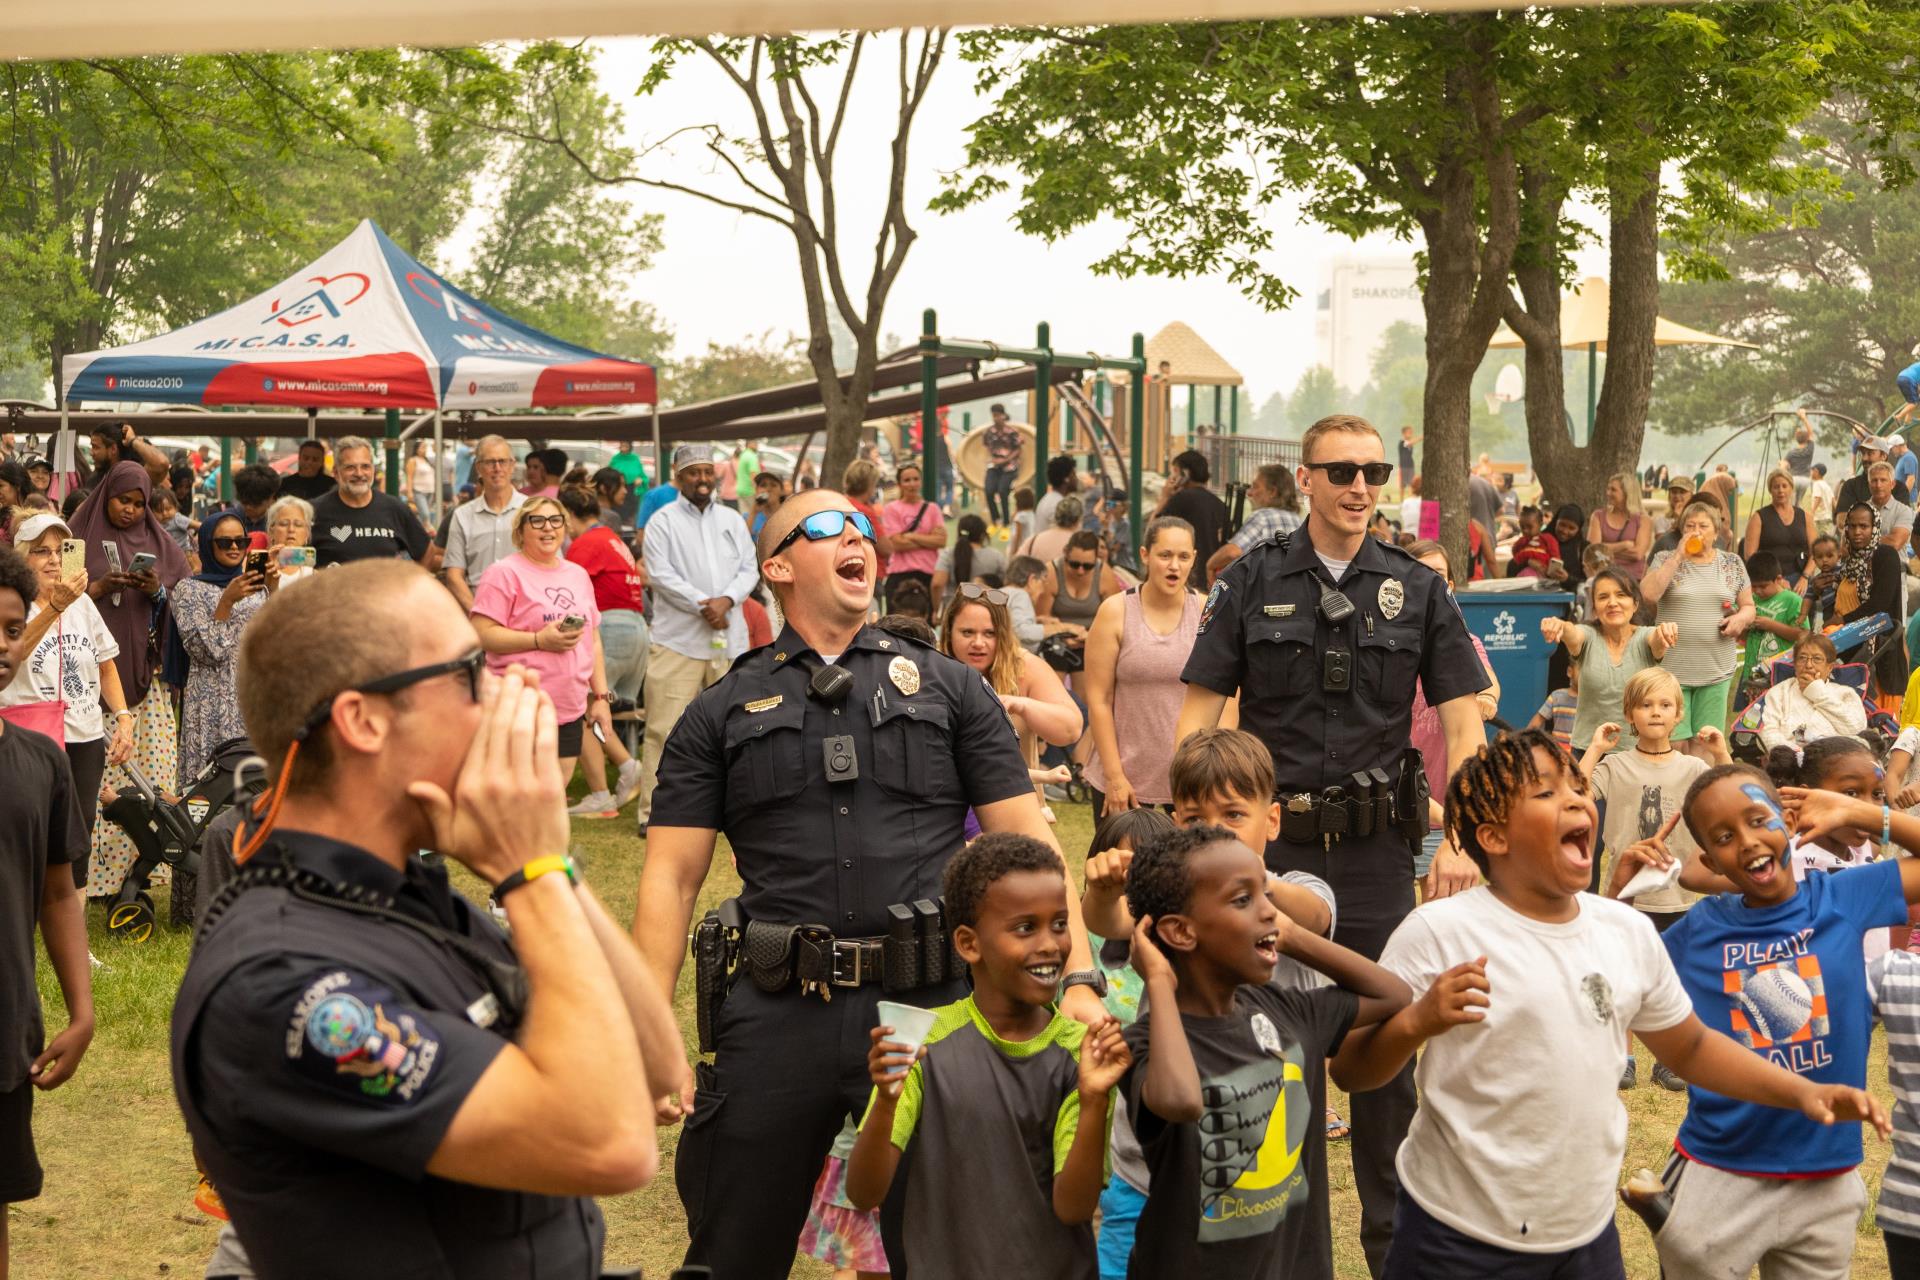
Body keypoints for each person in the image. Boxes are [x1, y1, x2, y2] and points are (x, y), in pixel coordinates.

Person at [634, 485, 1105, 1278]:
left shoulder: (952, 690)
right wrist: (649, 1038)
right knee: (732, 1247)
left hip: (931, 1011)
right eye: (828, 527)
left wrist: (1083, 978)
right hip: (778, 1017)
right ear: (776, 566)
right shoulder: (719, 711)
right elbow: (670, 883)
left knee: (964, 1245)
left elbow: (1029, 846)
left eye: (862, 526)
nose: (857, 535)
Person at [171, 560, 678, 1279]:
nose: (510, 687)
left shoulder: (410, 896)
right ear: (363, 720)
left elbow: (658, 1070)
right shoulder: (284, 979)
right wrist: (527, 874)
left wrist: (550, 865)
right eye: (472, 673)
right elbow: (613, 1146)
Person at [1341, 732, 1886, 1278]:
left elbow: (1692, 1047)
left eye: (1579, 786)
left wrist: (1804, 1092)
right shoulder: (1439, 932)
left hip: (1586, 1234)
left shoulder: (1623, 929)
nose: (1578, 798)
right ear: (1493, 836)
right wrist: (1418, 1020)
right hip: (1455, 1233)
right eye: (1547, 792)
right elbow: (1353, 1069)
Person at [1176, 412, 1489, 1274]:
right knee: (1262, 1052)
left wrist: (1460, 836)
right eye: (1342, 471)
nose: (1360, 488)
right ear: (1304, 478)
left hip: (1378, 854)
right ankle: (1271, 1252)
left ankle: (1392, 1255)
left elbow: (1465, 725)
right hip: (1264, 857)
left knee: (1383, 1054)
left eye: (1375, 472)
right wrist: (1196, 836)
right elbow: (1200, 719)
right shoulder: (1250, 581)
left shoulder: (1417, 587)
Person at [1619, 768, 1917, 1280]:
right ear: (1709, 861)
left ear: (1790, 821)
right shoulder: (1701, 930)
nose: (1750, 842)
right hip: (1721, 1168)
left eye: (1760, 820)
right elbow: (1608, 982)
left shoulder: (1841, 897)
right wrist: (1616, 893)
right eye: (1725, 837)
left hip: (1826, 1176)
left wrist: (1858, 812)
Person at [1119, 824, 1411, 1279]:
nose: (1268, 912)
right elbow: (1179, 1100)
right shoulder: (1147, 1042)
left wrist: (1292, 935)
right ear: (1180, 932)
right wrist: (1157, 978)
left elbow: (1392, 994)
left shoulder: (1286, 1012)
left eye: (1266, 896)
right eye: (1243, 900)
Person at [846, 834, 1130, 1277]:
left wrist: (1094, 1100)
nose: (1050, 944)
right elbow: (865, 1193)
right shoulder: (926, 1041)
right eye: (1024, 927)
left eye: (1059, 923)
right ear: (968, 943)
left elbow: (1074, 1207)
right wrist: (885, 1102)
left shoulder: (1081, 1052)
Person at [0, 546, 94, 1279]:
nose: (3, 646)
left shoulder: (40, 762)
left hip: (4, 1031)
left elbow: (58, 891)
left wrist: (80, 1009)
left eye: (11, 629)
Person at [64, 462, 189, 898]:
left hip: (140, 681)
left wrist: (156, 591)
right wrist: (95, 590)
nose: (132, 511)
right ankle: (86, 879)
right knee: (90, 786)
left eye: (140, 504)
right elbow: (52, 596)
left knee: (145, 776)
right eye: (123, 501)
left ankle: (140, 870)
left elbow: (183, 601)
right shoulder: (75, 539)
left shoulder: (160, 541)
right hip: (82, 681)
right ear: (106, 495)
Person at [632, 444, 758, 836]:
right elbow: (661, 574)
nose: (702, 480)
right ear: (678, 475)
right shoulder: (662, 522)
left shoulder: (731, 519)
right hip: (678, 642)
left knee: (737, 731)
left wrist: (727, 601)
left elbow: (749, 567)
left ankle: (737, 812)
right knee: (663, 729)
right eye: (693, 473)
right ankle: (653, 812)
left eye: (707, 472)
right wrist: (704, 605)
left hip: (729, 641)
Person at [1, 512, 134, 879]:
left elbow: (106, 665)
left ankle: (70, 911)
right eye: (42, 551)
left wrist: (123, 717)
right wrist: (55, 606)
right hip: (29, 734)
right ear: (22, 558)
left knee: (78, 833)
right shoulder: (12, 604)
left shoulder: (83, 605)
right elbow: (14, 651)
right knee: (30, 828)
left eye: (62, 550)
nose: (55, 559)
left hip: (84, 735)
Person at [469, 497, 615, 786]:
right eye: (537, 521)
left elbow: (593, 640)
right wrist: (538, 640)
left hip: (569, 706)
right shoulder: (503, 573)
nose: (548, 528)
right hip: (519, 705)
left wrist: (600, 698)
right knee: (517, 792)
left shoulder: (577, 575)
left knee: (556, 787)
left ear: (565, 526)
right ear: (520, 530)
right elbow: (481, 633)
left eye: (555, 520)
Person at [1083, 518, 1200, 817]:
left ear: (1193, 559)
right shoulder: (1115, 611)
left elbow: (1226, 695)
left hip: (1189, 777)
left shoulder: (1205, 611)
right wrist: (1114, 776)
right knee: (1120, 864)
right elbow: (1098, 699)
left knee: (1191, 864)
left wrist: (1209, 769)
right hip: (1125, 775)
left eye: (1183, 557)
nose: (1174, 565)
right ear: (1146, 555)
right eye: (1165, 555)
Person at [1402, 541, 1500, 883]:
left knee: (1443, 902)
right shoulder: (1392, 645)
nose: (1430, 582)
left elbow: (1488, 685)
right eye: (1421, 573)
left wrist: (1485, 700)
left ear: (1451, 587)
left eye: (1438, 575)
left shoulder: (1463, 642)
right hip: (1400, 807)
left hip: (1448, 808)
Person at [558, 485, 646, 815]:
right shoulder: (610, 536)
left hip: (611, 626)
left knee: (579, 708)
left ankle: (604, 789)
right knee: (592, 706)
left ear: (566, 516)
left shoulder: (586, 543)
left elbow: (564, 589)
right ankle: (624, 767)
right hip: (635, 628)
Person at [170, 513, 272, 789]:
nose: (235, 548)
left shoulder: (256, 588)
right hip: (211, 701)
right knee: (208, 791)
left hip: (250, 699)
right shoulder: (188, 590)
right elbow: (209, 651)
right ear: (206, 544)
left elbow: (270, 642)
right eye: (225, 542)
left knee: (254, 787)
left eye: (241, 541)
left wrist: (271, 589)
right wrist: (226, 601)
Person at [1642, 500, 1755, 749]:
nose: (1696, 531)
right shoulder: (1664, 558)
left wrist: (1740, 619)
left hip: (1715, 667)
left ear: (1715, 533)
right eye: (1690, 525)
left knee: (1707, 743)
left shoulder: (1732, 563)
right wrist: (1679, 554)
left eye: (1703, 526)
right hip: (1672, 669)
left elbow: (1749, 606)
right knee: (1673, 744)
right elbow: (1649, 594)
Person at [1539, 568, 1675, 757]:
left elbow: (1657, 640)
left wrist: (1665, 631)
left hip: (1638, 751)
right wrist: (1559, 625)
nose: (1612, 603)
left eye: (1621, 595)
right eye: (1603, 597)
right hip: (1589, 750)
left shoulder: (1645, 636)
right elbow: (1572, 633)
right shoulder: (1588, 636)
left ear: (1635, 604)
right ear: (1594, 608)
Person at [308, 437, 427, 567]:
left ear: (373, 470)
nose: (359, 473)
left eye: (365, 466)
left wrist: (408, 584)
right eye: (350, 467)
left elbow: (426, 553)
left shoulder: (395, 508)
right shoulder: (313, 511)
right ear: (336, 472)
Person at [441, 435, 528, 611]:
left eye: (502, 461)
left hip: (524, 612)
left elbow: (551, 565)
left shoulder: (532, 510)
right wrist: (477, 614)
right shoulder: (462, 516)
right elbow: (454, 575)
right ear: (478, 467)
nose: (497, 468)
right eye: (490, 462)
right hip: (478, 613)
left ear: (512, 466)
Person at [1834, 501, 1908, 704]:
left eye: (1864, 526)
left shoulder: (1885, 555)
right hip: (1848, 654)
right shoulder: (1847, 564)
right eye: (1852, 526)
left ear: (1875, 528)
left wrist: (1843, 620)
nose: (1857, 532)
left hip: (1879, 655)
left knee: (1880, 725)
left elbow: (1880, 604)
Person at [1755, 633, 1866, 752]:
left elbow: (1856, 729)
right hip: (1790, 760)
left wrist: (1817, 692)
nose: (1808, 665)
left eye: (1817, 659)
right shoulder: (1779, 692)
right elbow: (1767, 732)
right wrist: (1798, 754)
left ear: (1829, 667)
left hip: (1837, 760)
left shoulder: (1844, 693)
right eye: (1802, 658)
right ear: (1795, 664)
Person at [1206, 463, 1302, 583]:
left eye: (1256, 487)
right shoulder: (1298, 520)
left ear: (1272, 492)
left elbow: (1232, 553)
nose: (1250, 493)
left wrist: (1210, 565)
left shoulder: (1262, 517)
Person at [1155, 451, 1229, 590]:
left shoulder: (1181, 499)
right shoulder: (1220, 505)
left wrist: (1164, 497)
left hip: (1186, 579)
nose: (1172, 477)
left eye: (1175, 472)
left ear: (1185, 474)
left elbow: (1153, 530)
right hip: (1212, 581)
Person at [880, 461, 944, 610]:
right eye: (907, 480)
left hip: (927, 573)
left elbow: (941, 540)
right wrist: (928, 539)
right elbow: (896, 544)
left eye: (916, 479)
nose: (912, 484)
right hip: (900, 574)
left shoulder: (932, 509)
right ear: (900, 484)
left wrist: (910, 536)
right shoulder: (891, 509)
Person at [1742, 467, 1814, 589]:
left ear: (1791, 488)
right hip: (1769, 579)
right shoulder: (1758, 517)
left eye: (1784, 486)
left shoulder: (1805, 516)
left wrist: (1805, 577)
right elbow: (1750, 556)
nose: (1781, 490)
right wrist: (1774, 580)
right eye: (1776, 487)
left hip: (1801, 578)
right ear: (1770, 490)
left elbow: (1815, 553)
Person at [1741, 550, 1804, 681]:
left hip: (1779, 673)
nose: (1757, 591)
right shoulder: (1750, 599)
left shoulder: (1792, 600)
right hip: (1751, 671)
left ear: (1778, 579)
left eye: (1763, 586)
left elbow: (1802, 635)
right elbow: (1743, 636)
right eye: (1753, 586)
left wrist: (1771, 625)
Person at [841, 458, 895, 589]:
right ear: (869, 485)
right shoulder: (862, 512)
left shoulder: (840, 504)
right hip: (868, 575)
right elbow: (886, 548)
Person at [931, 513, 1004, 608]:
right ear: (982, 535)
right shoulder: (996, 556)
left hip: (953, 610)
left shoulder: (948, 554)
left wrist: (936, 610)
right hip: (986, 610)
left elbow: (937, 583)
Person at [1589, 472, 1652, 581]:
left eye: (1613, 490)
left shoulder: (1643, 519)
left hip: (1632, 580)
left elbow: (1637, 554)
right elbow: (1592, 550)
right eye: (1608, 489)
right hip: (1604, 577)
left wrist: (1604, 551)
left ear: (1627, 493)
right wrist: (1624, 545)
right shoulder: (1598, 516)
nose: (1608, 493)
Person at [85, 421, 170, 489]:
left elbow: (161, 464)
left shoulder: (135, 476)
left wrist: (132, 440)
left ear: (113, 449)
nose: (91, 453)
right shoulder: (94, 480)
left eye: (95, 447)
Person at [982, 403, 1023, 529]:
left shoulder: (1012, 432)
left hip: (1009, 467)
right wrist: (994, 459)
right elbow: (986, 446)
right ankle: (995, 520)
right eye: (994, 415)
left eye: (998, 415)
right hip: (994, 467)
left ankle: (1006, 522)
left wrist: (1006, 459)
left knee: (1002, 490)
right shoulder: (989, 432)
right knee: (988, 490)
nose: (996, 418)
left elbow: (1018, 449)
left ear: (1003, 415)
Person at [1867, 459, 1917, 553]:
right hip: (1864, 567)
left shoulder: (1904, 511)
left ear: (1892, 484)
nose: (1878, 485)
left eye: (1883, 480)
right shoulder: (1858, 510)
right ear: (1869, 485)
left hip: (1897, 566)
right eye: (1874, 480)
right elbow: (1845, 546)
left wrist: (1860, 540)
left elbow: (1895, 543)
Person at [1542, 502, 1590, 595]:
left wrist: (1568, 579)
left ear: (1578, 529)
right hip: (1539, 598)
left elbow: (1590, 580)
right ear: (1556, 521)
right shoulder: (1542, 540)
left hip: (1573, 605)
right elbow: (1513, 566)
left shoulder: (1583, 549)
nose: (1564, 531)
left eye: (1571, 528)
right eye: (1562, 525)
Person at [1004, 556, 1049, 653]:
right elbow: (1022, 631)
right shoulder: (1021, 595)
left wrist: (1037, 620)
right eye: (1043, 582)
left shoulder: (1002, 592)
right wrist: (1062, 628)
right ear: (1032, 580)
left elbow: (1010, 624)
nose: (1043, 590)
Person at [264, 495, 314, 582]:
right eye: (284, 524)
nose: (291, 529)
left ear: (307, 532)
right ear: (271, 530)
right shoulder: (257, 566)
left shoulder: (314, 575)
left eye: (298, 524)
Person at [1505, 504, 1559, 577]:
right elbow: (1515, 554)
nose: (1525, 530)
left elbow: (1555, 557)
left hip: (1542, 574)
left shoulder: (1547, 539)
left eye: (1529, 527)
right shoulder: (1521, 542)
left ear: (1540, 524)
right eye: (1522, 527)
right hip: (1523, 574)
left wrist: (1551, 572)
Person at [228, 464, 279, 537]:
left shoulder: (280, 523)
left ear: (272, 498)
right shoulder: (229, 519)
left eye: (255, 503)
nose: (249, 507)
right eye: (245, 502)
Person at [149, 486, 195, 563]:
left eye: (168, 509)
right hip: (166, 556)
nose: (164, 513)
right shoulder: (155, 524)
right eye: (159, 511)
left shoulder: (177, 519)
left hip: (184, 554)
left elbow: (199, 525)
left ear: (176, 508)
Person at [405, 439, 437, 523]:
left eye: (425, 447)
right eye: (422, 447)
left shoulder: (427, 461)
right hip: (418, 491)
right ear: (417, 449)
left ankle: (423, 532)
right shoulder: (413, 460)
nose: (425, 449)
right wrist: (409, 492)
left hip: (430, 491)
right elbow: (409, 477)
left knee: (428, 515)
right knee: (425, 514)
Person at [1808, 459, 1837, 536]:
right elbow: (1834, 502)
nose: (1811, 473)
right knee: (1827, 538)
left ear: (1816, 471)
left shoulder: (1817, 484)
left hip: (1820, 518)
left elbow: (1818, 498)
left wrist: (1812, 512)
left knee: (1820, 539)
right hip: (1828, 518)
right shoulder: (1827, 486)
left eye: (1812, 471)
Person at [1396, 426, 1418, 495]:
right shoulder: (1402, 442)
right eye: (1409, 432)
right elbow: (1410, 443)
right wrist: (1421, 437)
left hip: (1410, 465)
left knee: (1411, 484)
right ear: (1404, 433)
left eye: (1411, 433)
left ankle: (1411, 499)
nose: (1411, 434)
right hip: (1403, 466)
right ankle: (1401, 502)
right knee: (1402, 485)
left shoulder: (1410, 444)